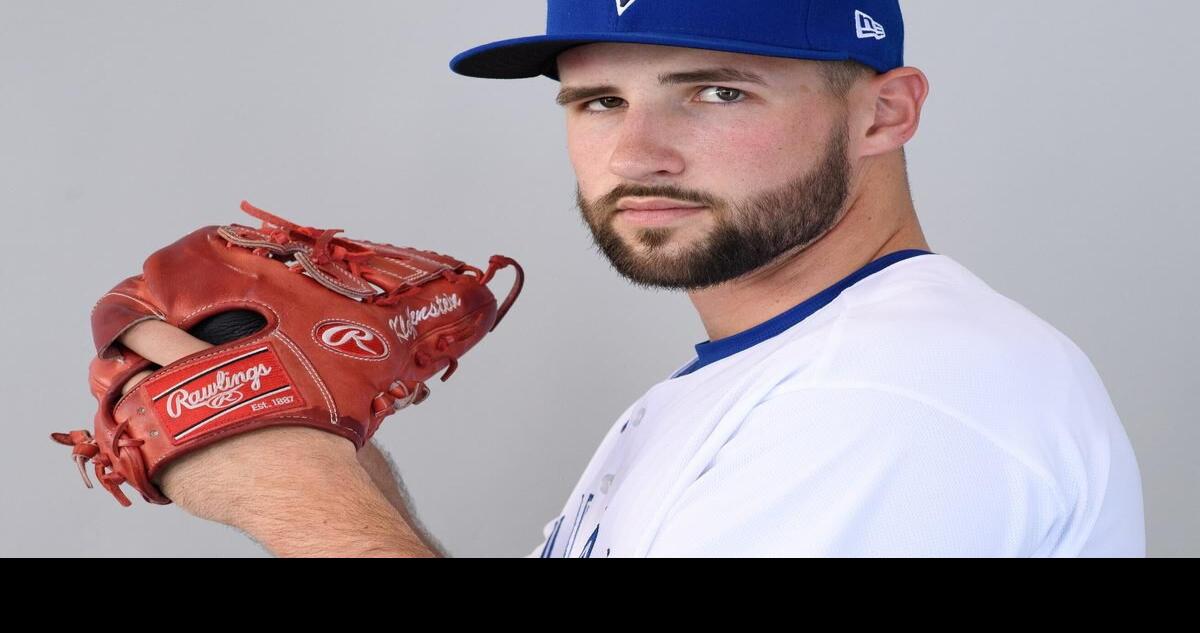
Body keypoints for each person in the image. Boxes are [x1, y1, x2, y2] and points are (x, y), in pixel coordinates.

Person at [113, 0, 1145, 557]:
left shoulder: (892, 398)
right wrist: (338, 463)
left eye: (715, 91)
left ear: (884, 113)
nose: (639, 152)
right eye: (597, 101)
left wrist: (303, 504)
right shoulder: (758, 382)